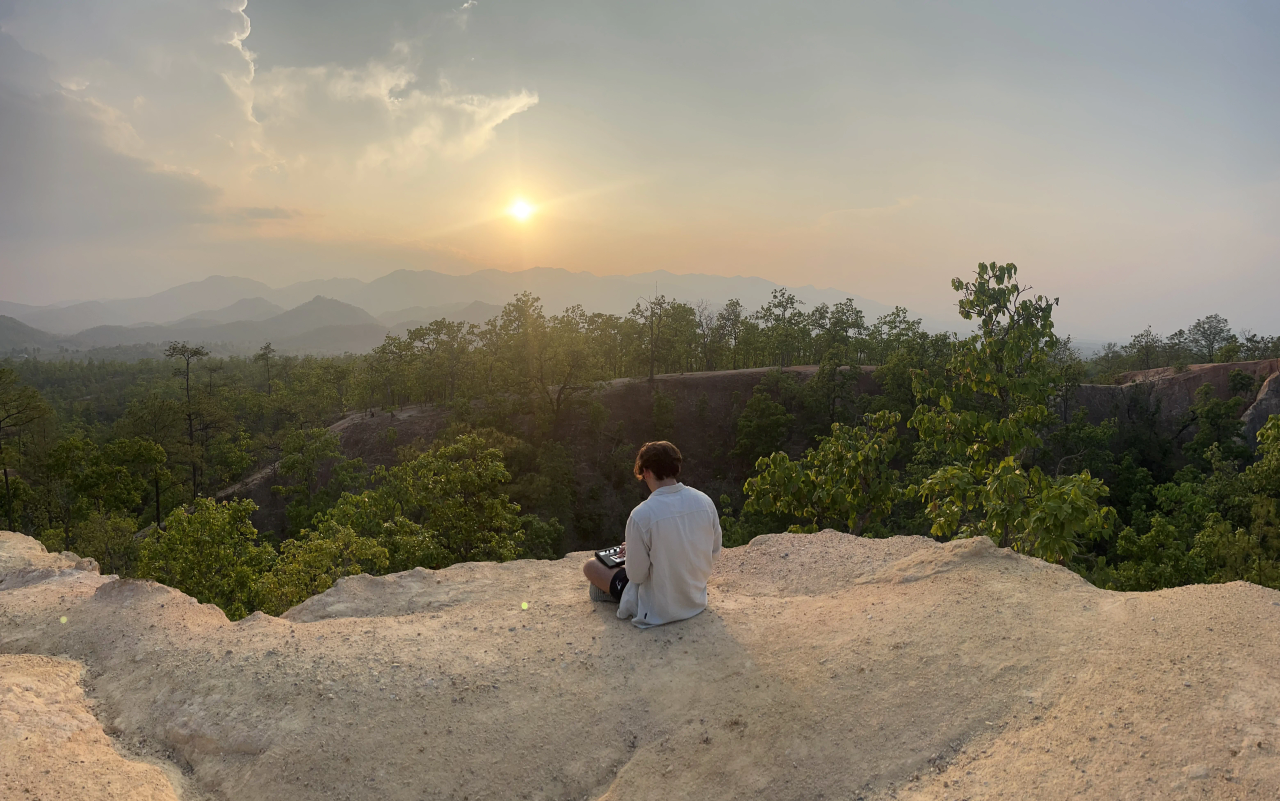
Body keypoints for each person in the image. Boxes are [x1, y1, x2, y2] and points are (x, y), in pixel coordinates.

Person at [583, 441, 722, 628]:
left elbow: (636, 576)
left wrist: (633, 554)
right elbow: (714, 552)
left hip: (657, 609)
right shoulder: (705, 502)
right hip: (695, 601)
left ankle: (608, 593)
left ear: (646, 472)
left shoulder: (641, 515)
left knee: (591, 567)